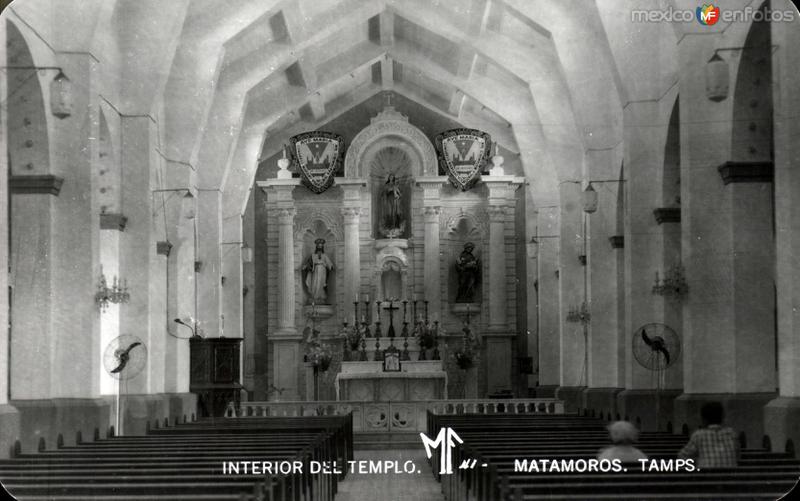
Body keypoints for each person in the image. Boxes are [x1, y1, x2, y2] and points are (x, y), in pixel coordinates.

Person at [677, 401, 739, 468]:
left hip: (705, 476)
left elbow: (682, 456)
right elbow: (737, 456)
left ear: (704, 419)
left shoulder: (699, 435)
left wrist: (697, 462)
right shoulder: (731, 434)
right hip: (730, 477)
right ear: (722, 417)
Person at [303, 238, 334, 304]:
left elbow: (329, 263)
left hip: (323, 271)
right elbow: (308, 263)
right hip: (315, 271)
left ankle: (320, 297)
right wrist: (305, 266)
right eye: (318, 246)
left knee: (321, 283)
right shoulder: (313, 255)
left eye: (321, 246)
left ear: (322, 247)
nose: (320, 247)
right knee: (315, 283)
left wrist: (331, 266)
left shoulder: (324, 256)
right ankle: (314, 296)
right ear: (316, 247)